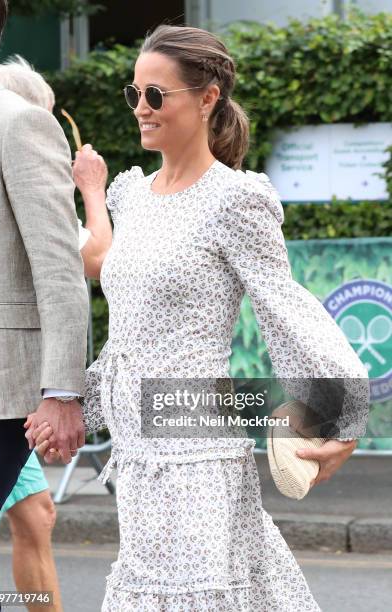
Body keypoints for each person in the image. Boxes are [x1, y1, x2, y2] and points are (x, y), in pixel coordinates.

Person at [29, 24, 369, 611]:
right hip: (138, 453)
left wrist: (339, 411)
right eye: (133, 93)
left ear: (207, 97)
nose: (141, 107)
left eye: (156, 94)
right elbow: (128, 326)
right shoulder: (133, 196)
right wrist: (74, 400)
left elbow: (286, 307)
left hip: (196, 445)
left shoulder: (235, 201)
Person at [0, 56, 110, 612]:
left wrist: (62, 392)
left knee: (36, 518)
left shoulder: (17, 127)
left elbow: (75, 265)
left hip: (2, 386)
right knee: (29, 523)